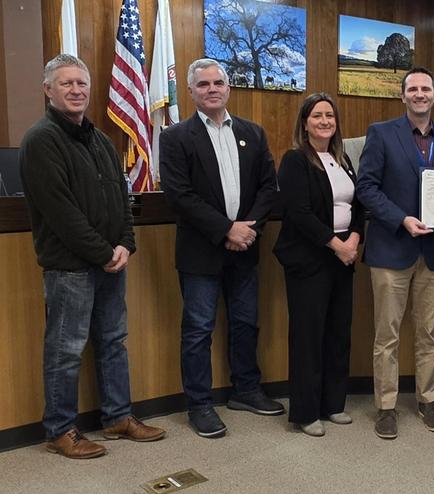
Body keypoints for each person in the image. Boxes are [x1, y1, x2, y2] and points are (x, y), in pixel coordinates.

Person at [19, 54, 165, 459]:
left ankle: (118, 416)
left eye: (81, 84)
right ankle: (59, 430)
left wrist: (125, 244)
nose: (76, 90)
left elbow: (121, 199)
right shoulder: (41, 140)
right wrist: (104, 252)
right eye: (66, 84)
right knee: (66, 350)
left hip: (110, 263)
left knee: (113, 342)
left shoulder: (100, 140)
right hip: (70, 268)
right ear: (48, 90)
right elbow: (61, 211)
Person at [159, 58, 284, 439]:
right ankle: (199, 404)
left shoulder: (253, 132)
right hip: (201, 252)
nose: (212, 89)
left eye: (218, 83)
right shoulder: (175, 136)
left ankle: (245, 389)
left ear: (229, 88)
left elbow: (268, 187)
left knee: (246, 323)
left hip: (245, 247)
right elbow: (179, 196)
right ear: (192, 91)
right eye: (203, 85)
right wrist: (226, 229)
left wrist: (248, 229)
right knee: (198, 330)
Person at [356, 67, 434, 439]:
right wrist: (401, 219)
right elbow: (366, 188)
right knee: (387, 334)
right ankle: (385, 406)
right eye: (412, 89)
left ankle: (427, 399)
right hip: (391, 248)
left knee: (429, 332)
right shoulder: (381, 134)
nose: (419, 94)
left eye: (425, 89)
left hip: (433, 251)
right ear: (403, 96)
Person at [273, 93, 365, 437]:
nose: (325, 121)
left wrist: (354, 239)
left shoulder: (343, 159)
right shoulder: (295, 160)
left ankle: (333, 404)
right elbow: (298, 212)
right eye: (317, 116)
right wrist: (336, 244)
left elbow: (359, 204)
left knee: (338, 332)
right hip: (310, 258)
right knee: (309, 336)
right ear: (305, 122)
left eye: (330, 115)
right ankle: (307, 411)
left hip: (344, 256)